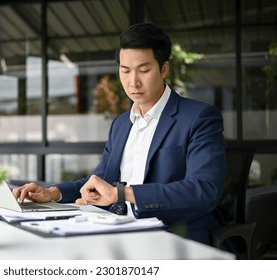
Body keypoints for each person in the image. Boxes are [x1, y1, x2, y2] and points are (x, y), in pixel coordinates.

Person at [12, 23, 226, 246]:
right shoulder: (121, 124)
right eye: (125, 70)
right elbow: (98, 182)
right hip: (118, 231)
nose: (133, 81)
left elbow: (204, 189)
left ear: (163, 69)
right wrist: (52, 193)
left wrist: (123, 194)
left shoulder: (198, 117)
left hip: (176, 235)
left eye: (144, 70)